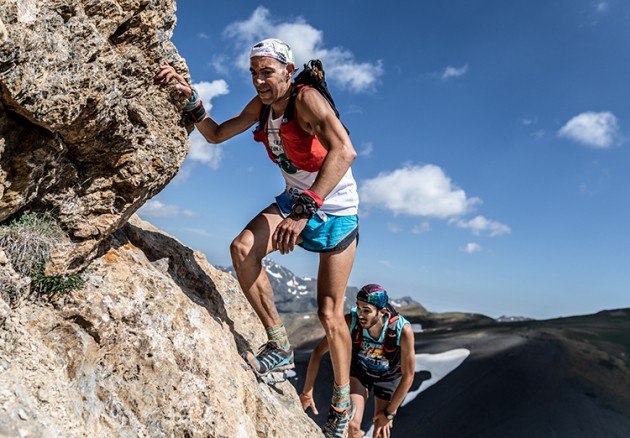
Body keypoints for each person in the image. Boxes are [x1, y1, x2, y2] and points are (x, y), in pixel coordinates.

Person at [157, 39, 359, 437]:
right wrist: (190, 98)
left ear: (288, 70)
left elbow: (346, 151)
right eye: (253, 73)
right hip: (297, 201)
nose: (259, 81)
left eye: (267, 72)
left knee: (330, 314)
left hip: (336, 210)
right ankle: (280, 349)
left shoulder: (307, 100)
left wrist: (305, 211)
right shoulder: (262, 109)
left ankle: (340, 400)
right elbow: (215, 134)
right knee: (242, 249)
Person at [300, 284, 415, 438]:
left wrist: (390, 413)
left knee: (380, 431)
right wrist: (306, 391)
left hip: (388, 377)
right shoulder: (350, 320)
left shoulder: (403, 330)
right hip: (360, 372)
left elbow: (408, 375)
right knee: (352, 425)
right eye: (358, 307)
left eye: (366, 310)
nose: (360, 314)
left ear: (382, 312)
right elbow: (318, 351)